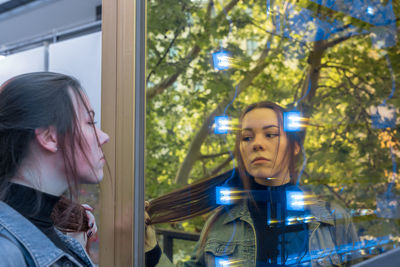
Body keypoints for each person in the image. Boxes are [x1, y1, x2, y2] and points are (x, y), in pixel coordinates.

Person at [145, 101, 360, 266]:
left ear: (294, 147)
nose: (257, 144)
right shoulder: (221, 222)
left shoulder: (333, 219)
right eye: (247, 138)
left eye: (270, 134)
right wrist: (151, 250)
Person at [0, 72, 109, 267]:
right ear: (50, 137)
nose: (103, 137)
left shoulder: (60, 239)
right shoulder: (5, 253)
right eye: (90, 123)